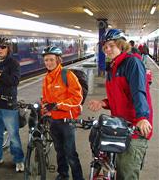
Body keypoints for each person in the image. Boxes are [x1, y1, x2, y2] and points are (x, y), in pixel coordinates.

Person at [88, 29, 153, 180]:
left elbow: (138, 92)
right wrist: (103, 103)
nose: (108, 50)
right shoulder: (113, 67)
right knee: (114, 170)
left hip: (135, 130)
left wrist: (143, 117)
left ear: (122, 45)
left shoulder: (132, 63)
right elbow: (120, 96)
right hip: (118, 127)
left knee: (126, 174)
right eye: (105, 47)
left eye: (112, 46)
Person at [41, 46, 84, 180]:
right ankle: (63, 174)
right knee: (59, 151)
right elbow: (46, 99)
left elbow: (77, 98)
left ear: (58, 60)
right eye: (46, 60)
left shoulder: (67, 75)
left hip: (67, 121)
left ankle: (78, 177)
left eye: (51, 60)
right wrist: (43, 108)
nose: (48, 63)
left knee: (70, 153)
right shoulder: (46, 78)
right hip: (53, 120)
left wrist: (59, 105)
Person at [0, 36, 24, 172]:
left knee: (13, 135)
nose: (0, 49)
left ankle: (19, 160)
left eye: (3, 47)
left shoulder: (14, 63)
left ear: (8, 49)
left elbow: (14, 81)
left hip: (8, 104)